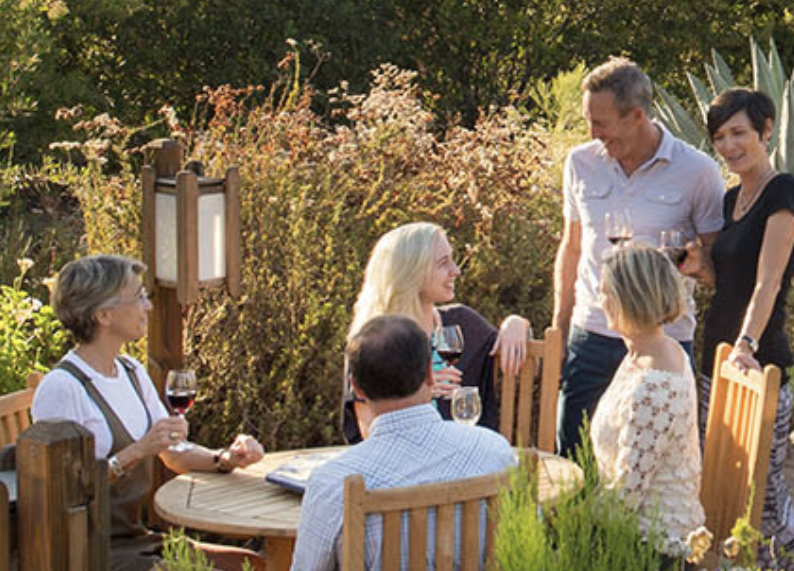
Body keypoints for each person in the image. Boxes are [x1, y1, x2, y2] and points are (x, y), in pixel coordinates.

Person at [30, 254, 265, 570]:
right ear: (103, 315)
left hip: (138, 539)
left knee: (251, 565)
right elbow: (61, 494)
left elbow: (172, 454)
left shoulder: (130, 370)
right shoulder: (62, 388)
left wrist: (223, 458)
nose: (148, 306)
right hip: (89, 553)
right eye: (139, 297)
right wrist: (139, 450)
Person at [551, 56, 727, 455]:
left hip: (664, 342)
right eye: (588, 121)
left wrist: (700, 266)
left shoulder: (697, 171)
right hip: (592, 334)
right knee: (574, 457)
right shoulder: (580, 163)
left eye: (601, 123)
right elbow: (573, 248)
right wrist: (560, 329)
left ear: (636, 115)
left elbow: (718, 263)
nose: (593, 133)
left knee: (657, 461)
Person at [684, 87, 794, 567]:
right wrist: (699, 267)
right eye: (719, 137)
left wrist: (746, 345)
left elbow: (769, 280)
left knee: (762, 498)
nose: (728, 145)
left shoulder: (784, 191)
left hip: (757, 363)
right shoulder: (730, 198)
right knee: (724, 491)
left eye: (739, 132)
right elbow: (730, 282)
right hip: (713, 363)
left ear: (766, 130)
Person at [290, 316, 518, 571]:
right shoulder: (495, 453)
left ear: (356, 388)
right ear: (431, 375)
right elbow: (528, 548)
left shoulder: (333, 484)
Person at [340, 221, 532, 443]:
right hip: (404, 467)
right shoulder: (374, 342)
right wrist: (417, 398)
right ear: (411, 272)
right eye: (443, 263)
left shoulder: (462, 325)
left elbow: (526, 366)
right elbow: (369, 433)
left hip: (468, 460)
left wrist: (516, 324)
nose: (456, 271)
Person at [587, 245, 706, 556]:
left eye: (605, 292)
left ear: (630, 300)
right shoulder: (657, 351)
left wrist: (569, 519)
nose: (600, 301)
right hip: (629, 530)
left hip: (652, 547)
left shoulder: (655, 385)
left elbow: (627, 496)